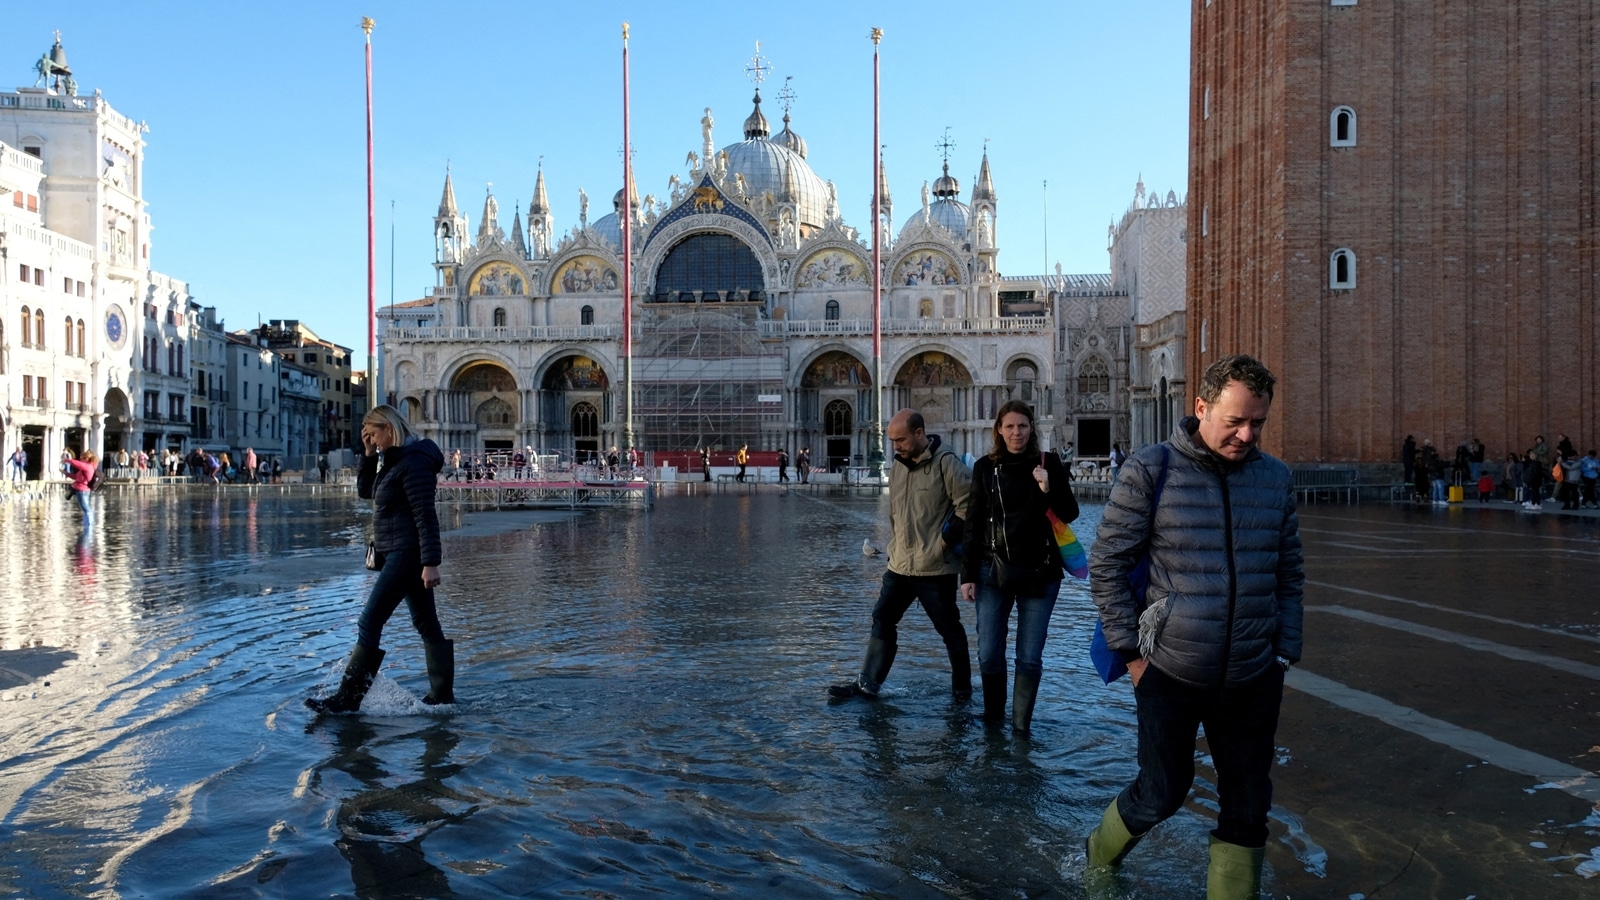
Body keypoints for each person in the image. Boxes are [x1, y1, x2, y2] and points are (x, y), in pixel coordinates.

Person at [1084, 354, 1304, 898]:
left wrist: (1285, 650)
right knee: (1163, 793)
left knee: (1249, 806)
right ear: (1201, 407)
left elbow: (1290, 569)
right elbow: (1107, 565)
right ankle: (1099, 854)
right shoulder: (1150, 469)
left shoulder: (1275, 479)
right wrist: (1134, 657)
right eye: (1234, 421)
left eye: (1258, 423)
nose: (1247, 434)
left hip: (1253, 673)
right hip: (1171, 671)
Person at [307, 405, 453, 714]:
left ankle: (348, 700)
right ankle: (442, 697)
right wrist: (369, 453)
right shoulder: (395, 460)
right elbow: (366, 491)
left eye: (374, 434)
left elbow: (425, 515)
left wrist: (431, 563)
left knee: (369, 621)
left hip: (407, 553)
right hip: (399, 552)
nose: (372, 440)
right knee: (426, 623)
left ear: (389, 428)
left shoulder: (413, 463)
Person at [829, 409, 974, 702]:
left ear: (920, 434)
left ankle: (962, 693)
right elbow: (897, 513)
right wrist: (896, 547)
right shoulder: (897, 466)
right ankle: (867, 685)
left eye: (901, 439)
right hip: (899, 565)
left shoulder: (946, 463)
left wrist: (943, 543)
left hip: (935, 567)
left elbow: (970, 504)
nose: (896, 446)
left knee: (950, 631)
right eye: (892, 440)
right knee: (882, 617)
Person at [959, 400, 1080, 733]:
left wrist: (1048, 487)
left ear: (1032, 429)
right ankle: (994, 719)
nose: (1017, 433)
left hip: (1041, 572)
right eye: (1010, 426)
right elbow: (972, 524)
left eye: (1023, 426)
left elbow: (1070, 514)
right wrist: (967, 574)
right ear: (999, 429)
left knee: (1029, 656)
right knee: (987, 652)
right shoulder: (985, 467)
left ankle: (1021, 726)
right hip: (991, 569)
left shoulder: (1049, 464)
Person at [61, 450, 98, 524]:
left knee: (86, 509)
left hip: (82, 490)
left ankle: (89, 525)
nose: (80, 460)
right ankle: (87, 523)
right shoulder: (87, 467)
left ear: (87, 459)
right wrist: (65, 473)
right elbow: (76, 477)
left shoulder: (87, 466)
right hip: (83, 490)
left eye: (82, 458)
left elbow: (77, 463)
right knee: (86, 509)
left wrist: (66, 460)